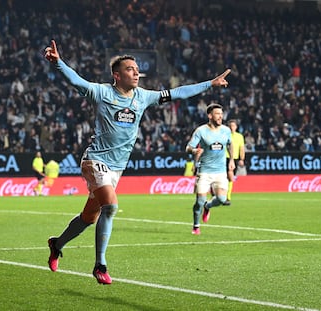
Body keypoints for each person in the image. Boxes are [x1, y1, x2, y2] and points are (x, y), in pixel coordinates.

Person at [44, 39, 231, 284]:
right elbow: (77, 80)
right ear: (116, 75)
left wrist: (210, 83)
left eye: (137, 69)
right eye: (130, 69)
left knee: (89, 217)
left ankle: (56, 244)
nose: (136, 73)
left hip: (117, 168)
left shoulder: (143, 97)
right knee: (110, 207)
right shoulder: (101, 92)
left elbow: (178, 92)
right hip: (95, 160)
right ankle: (100, 264)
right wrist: (58, 63)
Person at [186, 103, 234, 235]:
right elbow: (188, 147)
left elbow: (230, 144)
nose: (220, 116)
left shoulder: (226, 130)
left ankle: (208, 206)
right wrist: (194, 150)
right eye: (217, 114)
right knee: (199, 201)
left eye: (221, 114)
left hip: (220, 171)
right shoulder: (201, 131)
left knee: (222, 199)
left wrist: (231, 160)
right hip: (205, 171)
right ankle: (196, 225)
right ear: (210, 115)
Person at [223, 119, 245, 206]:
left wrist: (241, 159)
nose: (232, 127)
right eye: (230, 126)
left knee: (230, 179)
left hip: (234, 159)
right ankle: (224, 197)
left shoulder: (240, 136)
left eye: (233, 126)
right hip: (225, 158)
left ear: (236, 127)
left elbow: (242, 148)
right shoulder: (225, 135)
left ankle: (227, 197)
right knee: (227, 177)